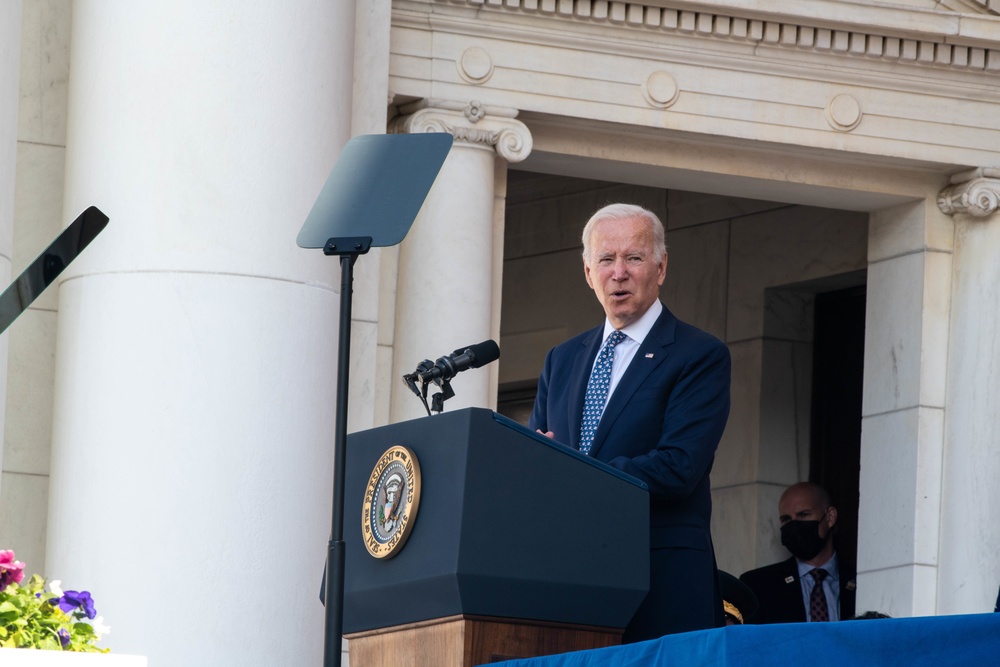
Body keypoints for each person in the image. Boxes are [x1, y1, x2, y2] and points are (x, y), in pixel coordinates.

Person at [529, 203, 732, 641]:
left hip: (659, 583)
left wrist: (571, 471)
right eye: (606, 259)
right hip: (569, 581)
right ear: (587, 271)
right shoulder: (562, 360)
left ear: (660, 267)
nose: (618, 272)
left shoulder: (699, 355)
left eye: (634, 258)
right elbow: (536, 463)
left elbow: (678, 467)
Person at [739, 482, 857, 624]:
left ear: (830, 517)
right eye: (786, 519)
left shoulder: (859, 578)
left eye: (803, 514)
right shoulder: (757, 585)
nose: (794, 525)